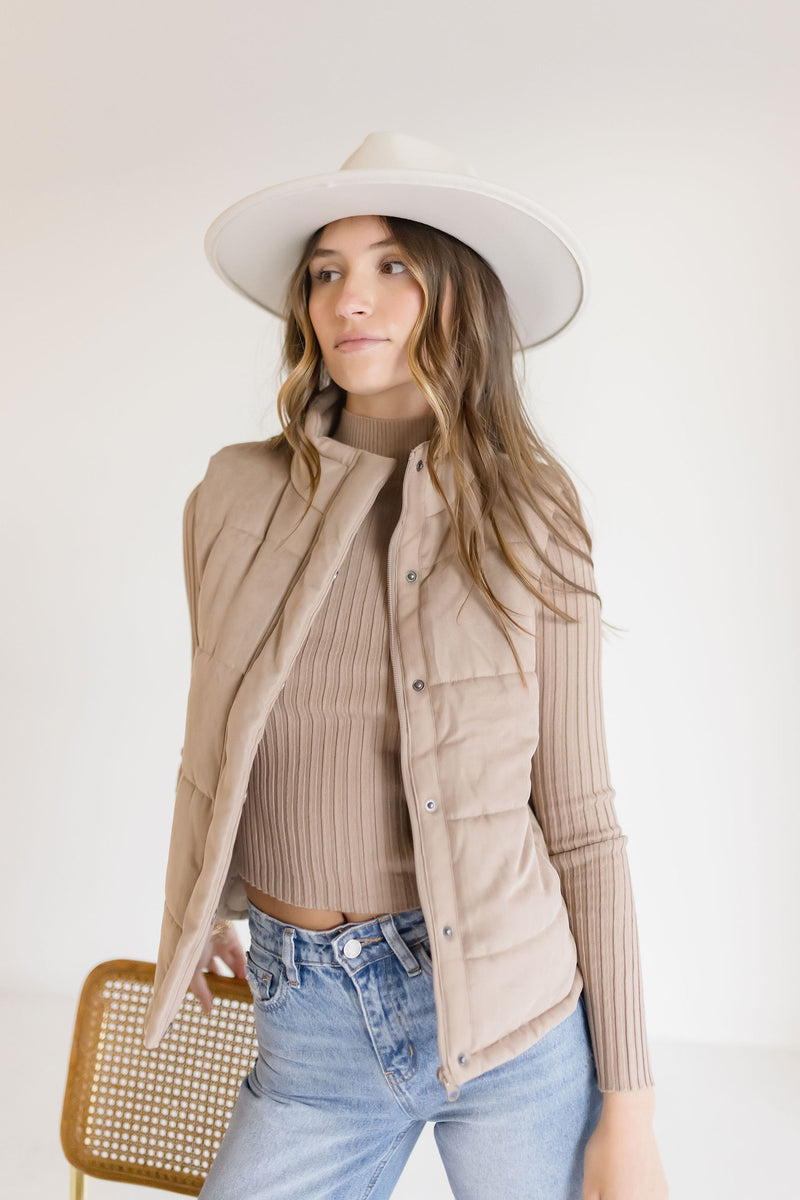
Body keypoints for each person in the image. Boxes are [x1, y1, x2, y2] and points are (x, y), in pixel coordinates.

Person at [144, 131, 668, 1199]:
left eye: (391, 266)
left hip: (513, 1024)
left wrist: (631, 1112)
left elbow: (579, 819)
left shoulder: (532, 512)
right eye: (325, 272)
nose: (349, 298)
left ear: (455, 294)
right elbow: (218, 742)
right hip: (307, 1029)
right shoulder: (230, 499)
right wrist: (202, 907)